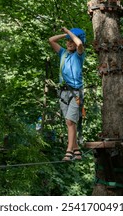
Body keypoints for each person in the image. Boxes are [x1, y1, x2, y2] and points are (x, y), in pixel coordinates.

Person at [48, 27, 86, 161]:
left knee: (70, 121)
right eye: (68, 41)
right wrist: (66, 34)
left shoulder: (79, 54)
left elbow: (80, 44)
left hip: (75, 93)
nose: (69, 43)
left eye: (72, 41)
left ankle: (69, 151)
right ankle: (76, 150)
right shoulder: (63, 53)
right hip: (63, 93)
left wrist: (71, 34)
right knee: (70, 123)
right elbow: (51, 40)